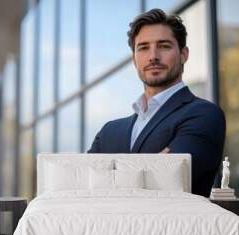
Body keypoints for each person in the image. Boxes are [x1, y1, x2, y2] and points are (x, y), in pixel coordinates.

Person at [87, 9, 226, 197]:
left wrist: (110, 175)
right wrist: (153, 164)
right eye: (143, 48)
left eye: (164, 46)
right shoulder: (109, 132)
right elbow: (85, 185)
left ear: (184, 54)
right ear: (134, 60)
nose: (153, 56)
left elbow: (169, 178)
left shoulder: (204, 115)